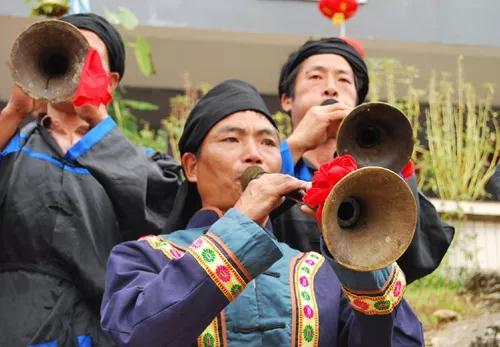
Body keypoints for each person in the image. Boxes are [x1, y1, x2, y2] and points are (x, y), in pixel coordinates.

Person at [100, 79, 424, 346]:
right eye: (231, 139)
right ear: (192, 166)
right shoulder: (142, 257)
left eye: (269, 143)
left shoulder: (321, 272)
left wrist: (359, 254)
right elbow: (135, 334)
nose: (254, 155)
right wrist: (239, 226)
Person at [0, 13, 180, 346]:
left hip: (98, 328)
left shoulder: (143, 161)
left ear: (111, 82)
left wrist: (96, 117)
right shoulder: (12, 142)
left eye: (90, 58)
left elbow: (161, 213)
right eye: (71, 52)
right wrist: (13, 111)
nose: (78, 66)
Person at [273, 37, 454, 283]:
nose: (331, 88)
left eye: (344, 80)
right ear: (287, 99)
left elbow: (416, 256)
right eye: (315, 77)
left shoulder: (377, 178)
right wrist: (295, 145)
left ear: (357, 102)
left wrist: (393, 155)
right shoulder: (271, 161)